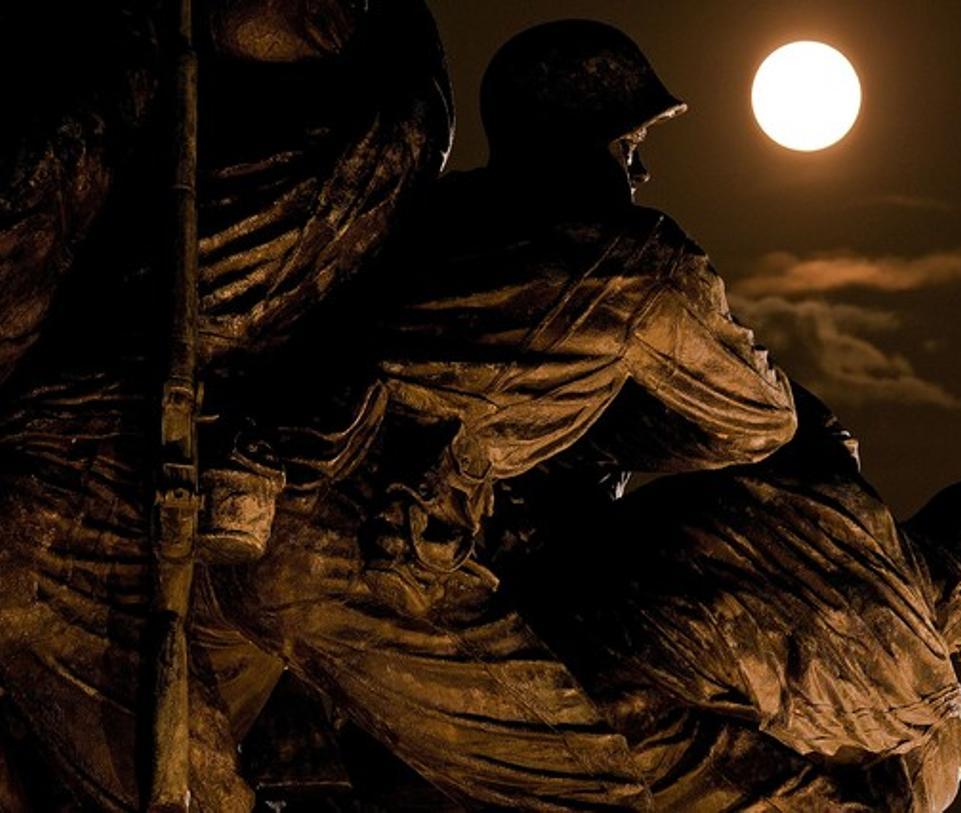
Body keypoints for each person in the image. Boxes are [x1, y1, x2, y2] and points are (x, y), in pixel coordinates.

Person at [197, 19, 811, 808]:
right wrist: (593, 421)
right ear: (588, 143)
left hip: (242, 522)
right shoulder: (639, 261)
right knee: (600, 795)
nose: (642, 166)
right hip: (359, 557)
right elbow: (756, 419)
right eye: (629, 144)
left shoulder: (427, 213)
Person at [0, 2, 453, 808]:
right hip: (83, 464)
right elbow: (22, 238)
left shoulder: (391, 90)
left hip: (214, 468)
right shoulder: (119, 60)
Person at [506, 422, 961, 811]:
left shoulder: (818, 474)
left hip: (544, 578)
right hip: (598, 699)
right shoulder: (922, 685)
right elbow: (919, 791)